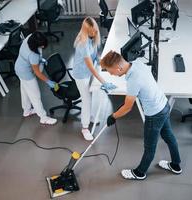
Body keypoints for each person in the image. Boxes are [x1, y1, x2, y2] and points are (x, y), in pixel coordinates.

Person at [100, 50, 182, 180]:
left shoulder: (133, 80)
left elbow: (127, 107)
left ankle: (140, 173)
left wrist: (113, 116)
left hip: (154, 114)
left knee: (149, 147)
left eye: (111, 71)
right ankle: (176, 165)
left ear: (119, 67)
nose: (111, 74)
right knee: (168, 136)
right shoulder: (137, 63)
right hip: (164, 105)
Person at [72, 17, 116, 141]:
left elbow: (95, 57)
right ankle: (84, 128)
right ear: (86, 31)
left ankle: (89, 117)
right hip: (81, 75)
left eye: (95, 30)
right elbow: (91, 67)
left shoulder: (92, 39)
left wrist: (105, 65)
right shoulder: (83, 44)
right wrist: (104, 82)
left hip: (87, 73)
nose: (95, 33)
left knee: (89, 98)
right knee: (86, 100)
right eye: (92, 31)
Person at [14, 31, 57, 125]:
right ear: (35, 46)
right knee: (35, 95)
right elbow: (37, 72)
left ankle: (27, 110)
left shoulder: (31, 37)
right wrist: (48, 81)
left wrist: (40, 60)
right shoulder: (33, 55)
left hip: (19, 67)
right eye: (41, 46)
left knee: (25, 91)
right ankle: (43, 117)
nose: (43, 47)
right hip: (26, 73)